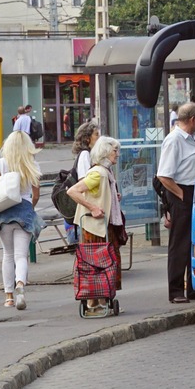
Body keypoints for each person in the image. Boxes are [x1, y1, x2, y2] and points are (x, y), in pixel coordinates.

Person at [156, 102, 195, 304]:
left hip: (193, 190)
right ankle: (175, 291)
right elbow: (164, 175)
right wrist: (182, 195)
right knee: (179, 244)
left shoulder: (192, 138)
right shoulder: (174, 140)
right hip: (181, 190)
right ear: (192, 119)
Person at [0, 131, 43, 310]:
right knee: (21, 255)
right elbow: (36, 195)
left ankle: (8, 297)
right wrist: (30, 207)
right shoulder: (33, 164)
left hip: (3, 213)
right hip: (24, 213)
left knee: (8, 254)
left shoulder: (1, 163)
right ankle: (20, 284)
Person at [66, 135, 126, 315]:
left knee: (102, 263)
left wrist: (111, 198)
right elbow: (73, 191)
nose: (117, 154)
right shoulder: (98, 173)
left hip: (102, 225)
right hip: (95, 226)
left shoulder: (105, 172)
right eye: (115, 150)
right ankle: (93, 302)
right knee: (96, 263)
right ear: (106, 152)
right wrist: (92, 208)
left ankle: (99, 300)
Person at [65, 120, 101, 245]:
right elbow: (84, 182)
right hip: (85, 211)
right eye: (96, 134)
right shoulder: (85, 155)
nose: (99, 137)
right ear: (87, 138)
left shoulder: (87, 154)